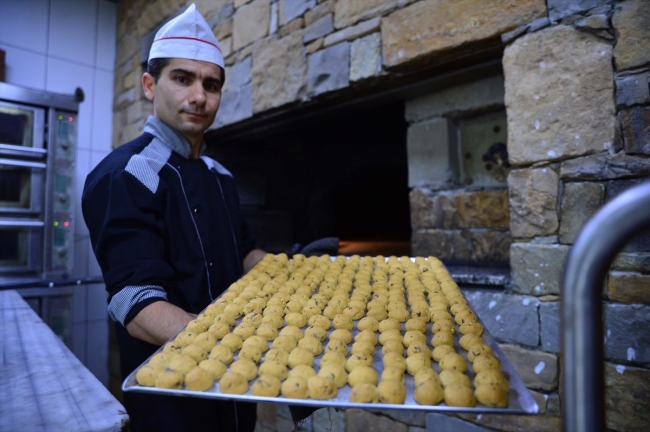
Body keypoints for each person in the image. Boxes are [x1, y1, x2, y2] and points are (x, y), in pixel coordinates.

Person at [82, 4, 265, 431]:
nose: (199, 96)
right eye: (182, 79)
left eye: (211, 84)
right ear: (150, 84)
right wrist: (242, 340)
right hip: (172, 398)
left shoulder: (220, 176)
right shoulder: (125, 175)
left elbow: (243, 250)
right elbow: (137, 305)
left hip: (235, 390)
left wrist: (290, 272)